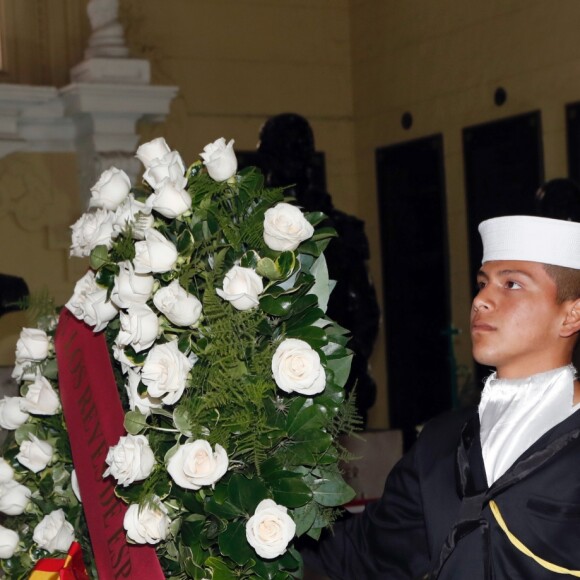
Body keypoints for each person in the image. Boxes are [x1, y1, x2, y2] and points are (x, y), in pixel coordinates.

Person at [303, 215, 580, 579]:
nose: (481, 299)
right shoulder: (442, 442)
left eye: (511, 284)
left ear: (571, 315)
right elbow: (356, 557)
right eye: (482, 283)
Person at [258, 113, 380, 425]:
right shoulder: (254, 230)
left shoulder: (340, 228)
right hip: (274, 375)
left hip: (334, 371)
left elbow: (364, 305)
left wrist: (352, 360)